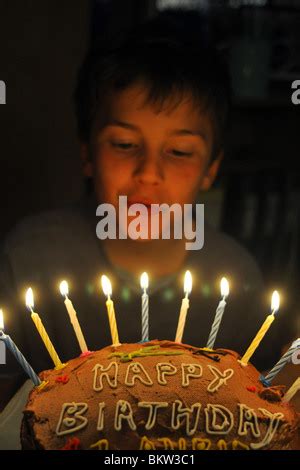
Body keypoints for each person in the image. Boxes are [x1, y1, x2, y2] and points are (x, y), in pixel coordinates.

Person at [0, 10, 295, 412]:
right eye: (124, 144)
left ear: (210, 169)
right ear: (87, 152)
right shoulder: (28, 258)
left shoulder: (239, 278)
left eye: (178, 151)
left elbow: (252, 401)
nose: (149, 173)